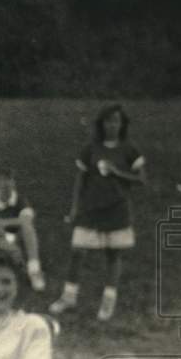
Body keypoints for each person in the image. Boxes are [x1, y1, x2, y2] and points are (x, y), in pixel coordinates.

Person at [49, 104, 147, 321]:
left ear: (122, 124)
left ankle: (108, 301)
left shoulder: (129, 149)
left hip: (117, 209)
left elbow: (140, 179)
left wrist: (117, 172)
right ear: (101, 123)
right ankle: (69, 297)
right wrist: (75, 207)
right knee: (77, 252)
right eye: (108, 121)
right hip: (91, 208)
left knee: (113, 255)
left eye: (116, 121)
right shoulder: (91, 149)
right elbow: (80, 180)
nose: (112, 125)